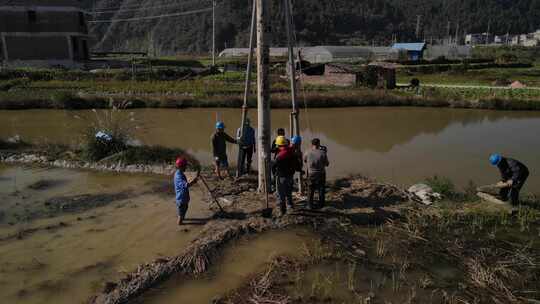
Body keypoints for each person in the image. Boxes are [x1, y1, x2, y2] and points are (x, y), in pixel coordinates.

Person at [272, 136, 302, 216]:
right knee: (289, 192)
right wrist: (300, 170)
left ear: (278, 145)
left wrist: (274, 175)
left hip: (281, 177)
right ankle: (290, 205)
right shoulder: (292, 153)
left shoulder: (279, 156)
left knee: (281, 194)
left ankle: (282, 211)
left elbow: (273, 166)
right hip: (290, 176)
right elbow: (297, 165)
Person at [304, 138, 329, 209]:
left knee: (310, 189)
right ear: (319, 144)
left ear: (311, 144)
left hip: (311, 174)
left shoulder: (307, 152)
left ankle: (309, 205)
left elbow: (305, 160)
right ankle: (321, 205)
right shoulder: (323, 153)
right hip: (321, 174)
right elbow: (327, 164)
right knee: (321, 189)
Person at [174, 157, 199, 225]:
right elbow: (186, 185)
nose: (186, 167)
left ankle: (182, 218)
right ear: (181, 166)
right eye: (185, 166)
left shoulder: (179, 173)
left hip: (182, 197)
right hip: (181, 199)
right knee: (181, 212)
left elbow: (185, 182)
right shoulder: (178, 176)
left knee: (183, 210)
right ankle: (180, 223)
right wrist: (194, 181)